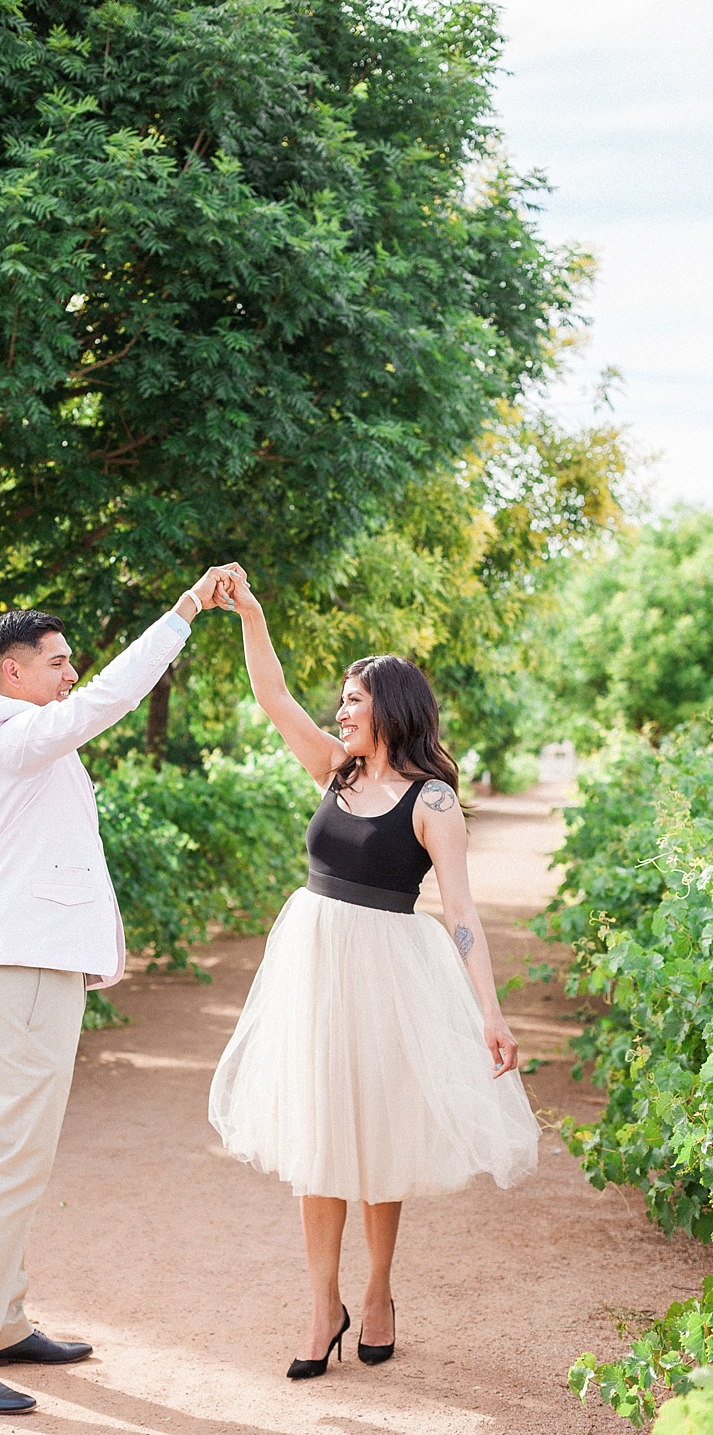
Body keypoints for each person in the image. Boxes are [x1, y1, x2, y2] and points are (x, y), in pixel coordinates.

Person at [208, 566, 540, 1379]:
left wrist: (490, 1016)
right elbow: (272, 697)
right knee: (317, 1135)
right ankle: (323, 1308)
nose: (339, 710)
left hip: (389, 975)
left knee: (377, 1135)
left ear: (390, 708)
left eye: (353, 699)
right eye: (342, 700)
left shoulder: (432, 803)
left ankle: (379, 1290)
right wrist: (251, 611)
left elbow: (461, 913)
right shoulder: (332, 770)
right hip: (314, 970)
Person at [0, 568, 236, 1415]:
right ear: (12, 672)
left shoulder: (27, 742)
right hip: (17, 969)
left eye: (70, 663)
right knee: (6, 1158)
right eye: (56, 663)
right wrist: (180, 616)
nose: (69, 675)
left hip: (34, 968)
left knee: (18, 1152)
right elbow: (105, 702)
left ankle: (2, 1322)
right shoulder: (2, 731)